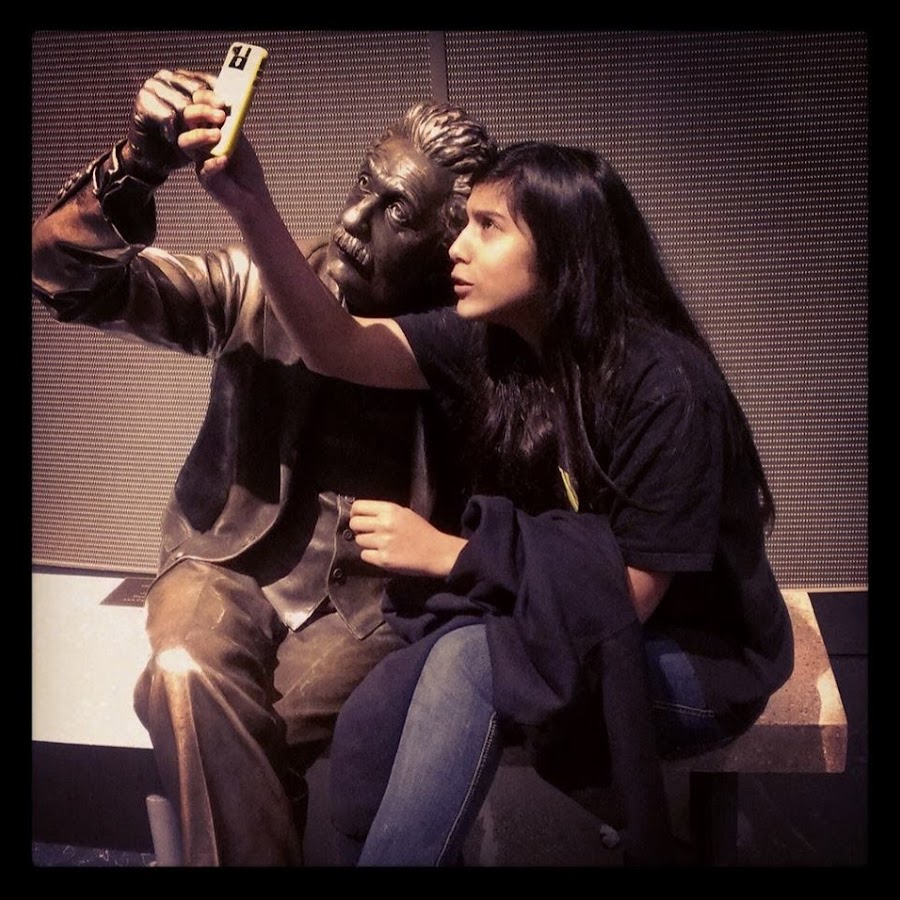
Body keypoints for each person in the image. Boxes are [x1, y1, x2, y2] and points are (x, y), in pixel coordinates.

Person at [180, 105, 795, 866]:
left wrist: (452, 554)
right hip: (564, 619)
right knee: (412, 679)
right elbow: (336, 345)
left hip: (698, 658)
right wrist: (250, 206)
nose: (458, 247)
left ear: (564, 252)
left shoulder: (667, 388)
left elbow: (631, 596)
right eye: (464, 222)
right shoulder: (492, 342)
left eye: (488, 227)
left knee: (472, 664)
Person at [31, 67, 496, 866]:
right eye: (364, 185)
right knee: (183, 667)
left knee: (217, 723)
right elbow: (58, 275)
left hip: (372, 604)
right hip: (223, 564)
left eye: (395, 212)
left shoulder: (467, 342)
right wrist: (136, 164)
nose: (352, 220)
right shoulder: (254, 285)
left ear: (446, 241)